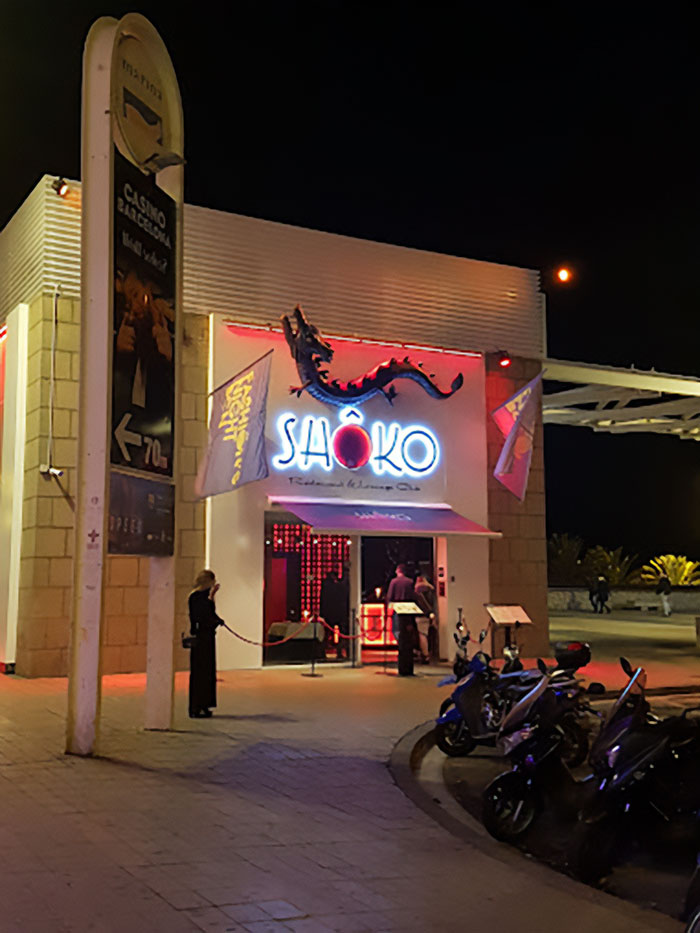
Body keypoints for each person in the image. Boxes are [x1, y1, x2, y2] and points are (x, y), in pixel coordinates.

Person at [188, 569, 223, 718]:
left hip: (207, 638)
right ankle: (197, 706)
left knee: (207, 672)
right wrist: (215, 621)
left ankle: (204, 705)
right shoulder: (196, 597)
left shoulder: (202, 597)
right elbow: (203, 616)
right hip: (202, 638)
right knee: (200, 673)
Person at [386, 564, 417, 676]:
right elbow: (414, 596)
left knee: (397, 630)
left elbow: (390, 596)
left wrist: (388, 607)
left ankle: (400, 648)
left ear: (398, 571)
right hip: (408, 609)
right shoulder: (410, 582)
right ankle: (408, 660)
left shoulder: (394, 582)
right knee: (407, 633)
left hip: (398, 608)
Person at [320, 567, 350, 659]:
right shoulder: (339, 586)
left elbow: (322, 600)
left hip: (329, 613)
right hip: (339, 612)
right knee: (341, 633)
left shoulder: (326, 586)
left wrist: (322, 614)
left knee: (327, 634)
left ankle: (322, 652)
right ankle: (340, 652)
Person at [415, 572, 438, 662]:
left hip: (421, 614)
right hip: (430, 614)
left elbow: (419, 603)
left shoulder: (418, 590)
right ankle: (431, 651)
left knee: (422, 634)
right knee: (429, 634)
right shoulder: (431, 589)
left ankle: (425, 654)